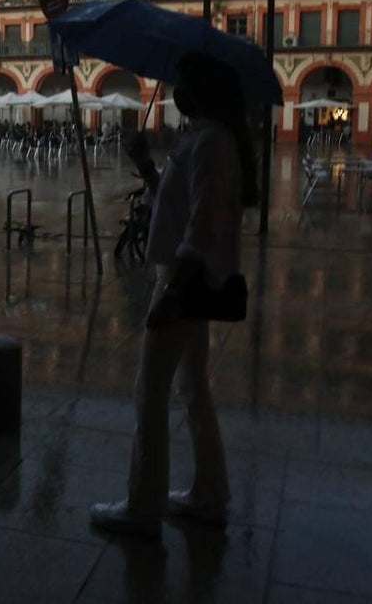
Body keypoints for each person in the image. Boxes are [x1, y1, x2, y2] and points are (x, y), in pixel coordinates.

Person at [90, 52, 258, 538]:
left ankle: (143, 506)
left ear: (201, 90)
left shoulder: (211, 143)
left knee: (150, 391)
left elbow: (202, 227)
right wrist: (145, 165)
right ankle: (210, 492)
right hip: (188, 278)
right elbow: (176, 201)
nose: (176, 88)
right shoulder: (207, 139)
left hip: (184, 280)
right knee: (192, 389)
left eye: (184, 81)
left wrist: (172, 292)